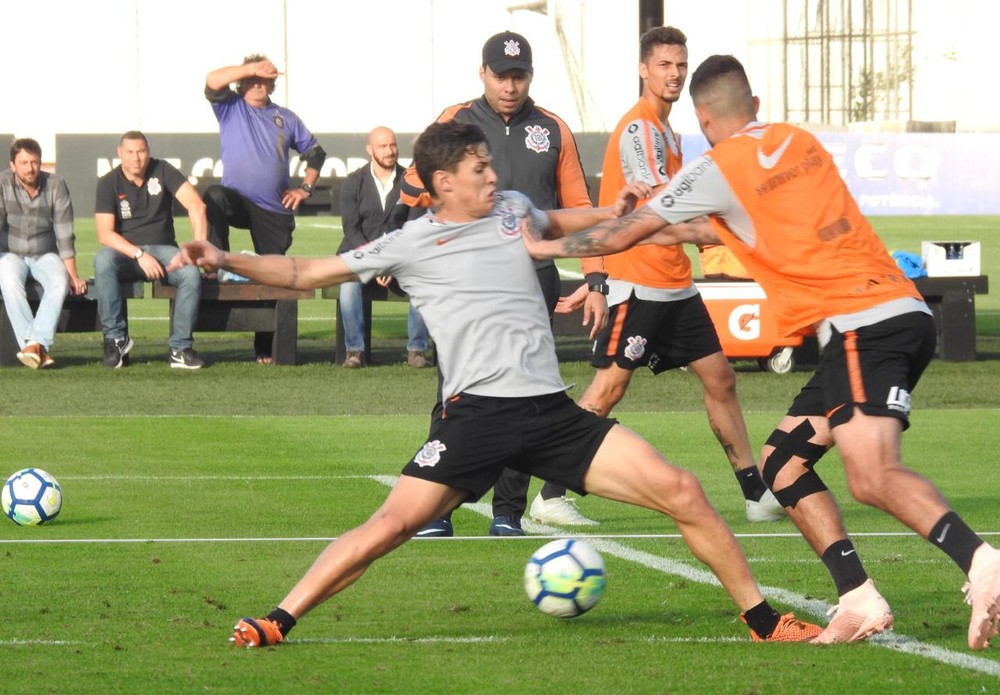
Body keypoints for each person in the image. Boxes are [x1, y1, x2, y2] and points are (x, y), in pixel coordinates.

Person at [171, 119, 820, 648]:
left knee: (681, 488)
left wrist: (614, 209)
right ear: (444, 182)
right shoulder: (412, 242)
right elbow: (305, 272)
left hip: (551, 412)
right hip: (475, 418)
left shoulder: (510, 208)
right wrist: (223, 257)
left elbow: (554, 223)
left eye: (490, 164)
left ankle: (766, 622)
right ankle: (277, 619)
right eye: (479, 168)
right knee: (391, 525)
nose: (493, 175)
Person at [521, 55, 1000, 649]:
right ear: (753, 102)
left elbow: (633, 231)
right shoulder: (796, 142)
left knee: (872, 475)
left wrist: (544, 245)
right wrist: (623, 218)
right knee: (782, 463)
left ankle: (983, 564)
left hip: (864, 325)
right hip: (896, 314)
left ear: (701, 115)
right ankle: (858, 596)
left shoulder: (718, 167)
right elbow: (698, 228)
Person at [559, 26, 784, 524]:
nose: (674, 73)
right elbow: (656, 214)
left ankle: (754, 494)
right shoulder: (640, 130)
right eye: (664, 64)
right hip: (638, 282)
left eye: (680, 65)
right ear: (643, 69)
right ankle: (551, 492)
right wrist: (725, 230)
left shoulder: (666, 131)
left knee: (721, 378)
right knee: (607, 391)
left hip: (674, 284)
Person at [399, 30, 603, 536]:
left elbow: (579, 209)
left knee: (529, 394)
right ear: (483, 74)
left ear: (530, 77)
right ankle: (436, 509)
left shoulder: (552, 128)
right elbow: (412, 189)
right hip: (466, 281)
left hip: (533, 280)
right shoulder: (455, 120)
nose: (510, 85)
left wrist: (597, 278)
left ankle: (507, 513)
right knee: (456, 391)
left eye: (519, 75)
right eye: (501, 75)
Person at [204, 54, 327, 364]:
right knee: (214, 195)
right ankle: (218, 263)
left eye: (265, 78)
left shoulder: (286, 117)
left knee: (272, 274)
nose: (259, 83)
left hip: (273, 209)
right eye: (253, 78)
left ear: (273, 83)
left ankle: (265, 347)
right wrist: (251, 68)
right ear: (242, 81)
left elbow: (315, 154)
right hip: (239, 202)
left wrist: (305, 188)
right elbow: (211, 80)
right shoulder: (231, 107)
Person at [94, 131, 206, 370]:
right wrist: (139, 254)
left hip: (164, 250)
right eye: (130, 152)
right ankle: (116, 341)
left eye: (141, 151)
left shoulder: (163, 170)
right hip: (126, 254)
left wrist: (198, 248)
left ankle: (180, 348)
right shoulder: (108, 182)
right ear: (120, 154)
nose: (136, 158)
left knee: (190, 273)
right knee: (103, 261)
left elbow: (197, 205)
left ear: (148, 152)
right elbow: (105, 234)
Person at [338, 126, 429, 369]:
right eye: (383, 146)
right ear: (370, 150)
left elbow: (414, 227)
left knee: (424, 282)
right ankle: (355, 351)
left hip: (401, 258)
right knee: (348, 285)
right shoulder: (353, 183)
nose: (390, 151)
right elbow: (351, 228)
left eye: (393, 145)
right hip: (360, 255)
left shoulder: (413, 182)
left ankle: (417, 351)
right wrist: (374, 260)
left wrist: (391, 260)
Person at [0, 138, 87, 369]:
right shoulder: (1, 182)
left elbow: (65, 233)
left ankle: (32, 345)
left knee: (60, 281)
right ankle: (38, 346)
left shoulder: (56, 184)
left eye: (35, 162)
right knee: (8, 281)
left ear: (41, 163)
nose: (30, 168)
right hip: (9, 253)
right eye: (24, 162)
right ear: (13, 164)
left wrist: (73, 275)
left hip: (45, 252)